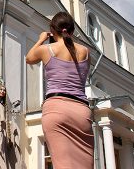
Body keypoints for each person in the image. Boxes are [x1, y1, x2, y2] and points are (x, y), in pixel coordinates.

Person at [25, 11, 94, 169]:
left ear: (53, 30)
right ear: (72, 30)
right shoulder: (85, 52)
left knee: (62, 164)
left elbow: (29, 58)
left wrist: (41, 40)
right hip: (81, 111)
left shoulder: (47, 49)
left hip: (56, 108)